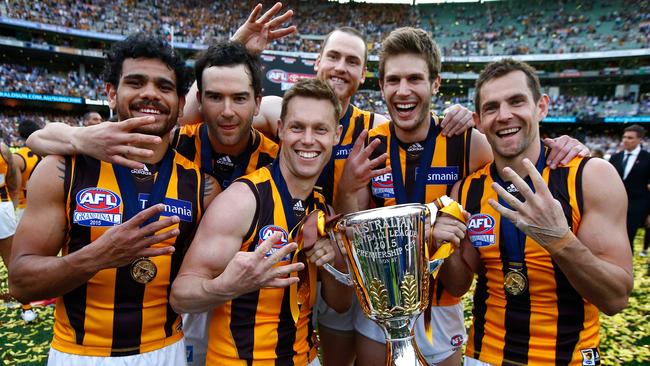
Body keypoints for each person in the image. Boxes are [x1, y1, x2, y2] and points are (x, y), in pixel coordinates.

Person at [335, 28, 590, 366]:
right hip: (380, 307)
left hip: (442, 308)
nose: (403, 90)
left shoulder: (467, 143)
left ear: (435, 84)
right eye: (393, 80)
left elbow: (518, 154)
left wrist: (562, 145)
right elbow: (351, 221)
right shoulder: (372, 145)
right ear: (381, 87)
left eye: (415, 78)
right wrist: (346, 190)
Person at [9, 32, 220, 365]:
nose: (150, 93)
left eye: (164, 87)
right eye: (136, 82)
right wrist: (98, 256)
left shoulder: (201, 185)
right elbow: (20, 282)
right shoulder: (63, 169)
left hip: (167, 350)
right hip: (79, 354)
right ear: (111, 92)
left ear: (181, 105)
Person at [443, 58, 633, 366]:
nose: (504, 116)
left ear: (541, 106)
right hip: (485, 355)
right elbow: (459, 284)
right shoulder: (466, 190)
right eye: (492, 108)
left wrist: (559, 240)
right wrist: (445, 246)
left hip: (568, 358)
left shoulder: (591, 177)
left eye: (516, 101)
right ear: (478, 120)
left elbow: (615, 299)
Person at [170, 78, 351, 365]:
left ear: (336, 135)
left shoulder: (321, 209)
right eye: (297, 127)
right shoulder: (242, 200)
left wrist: (333, 263)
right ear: (280, 129)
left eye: (320, 129)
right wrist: (229, 286)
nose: (307, 139)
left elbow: (340, 305)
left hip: (306, 358)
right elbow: (180, 296)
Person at [609, 124, 650, 253]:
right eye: (624, 137)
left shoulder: (648, 158)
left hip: (637, 207)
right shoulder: (615, 157)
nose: (625, 140)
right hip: (614, 206)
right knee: (612, 238)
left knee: (627, 239)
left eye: (630, 138)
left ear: (639, 140)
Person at [0, 139, 26, 320]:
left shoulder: (3, 149)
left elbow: (12, 179)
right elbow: (12, 181)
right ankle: (22, 303)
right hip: (3, 205)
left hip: (2, 205)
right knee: (10, 256)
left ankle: (21, 301)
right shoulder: (3, 148)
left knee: (10, 257)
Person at [14, 119, 43, 220]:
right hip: (44, 206)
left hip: (24, 207)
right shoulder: (48, 154)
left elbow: (15, 189)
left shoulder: (17, 157)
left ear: (19, 133)